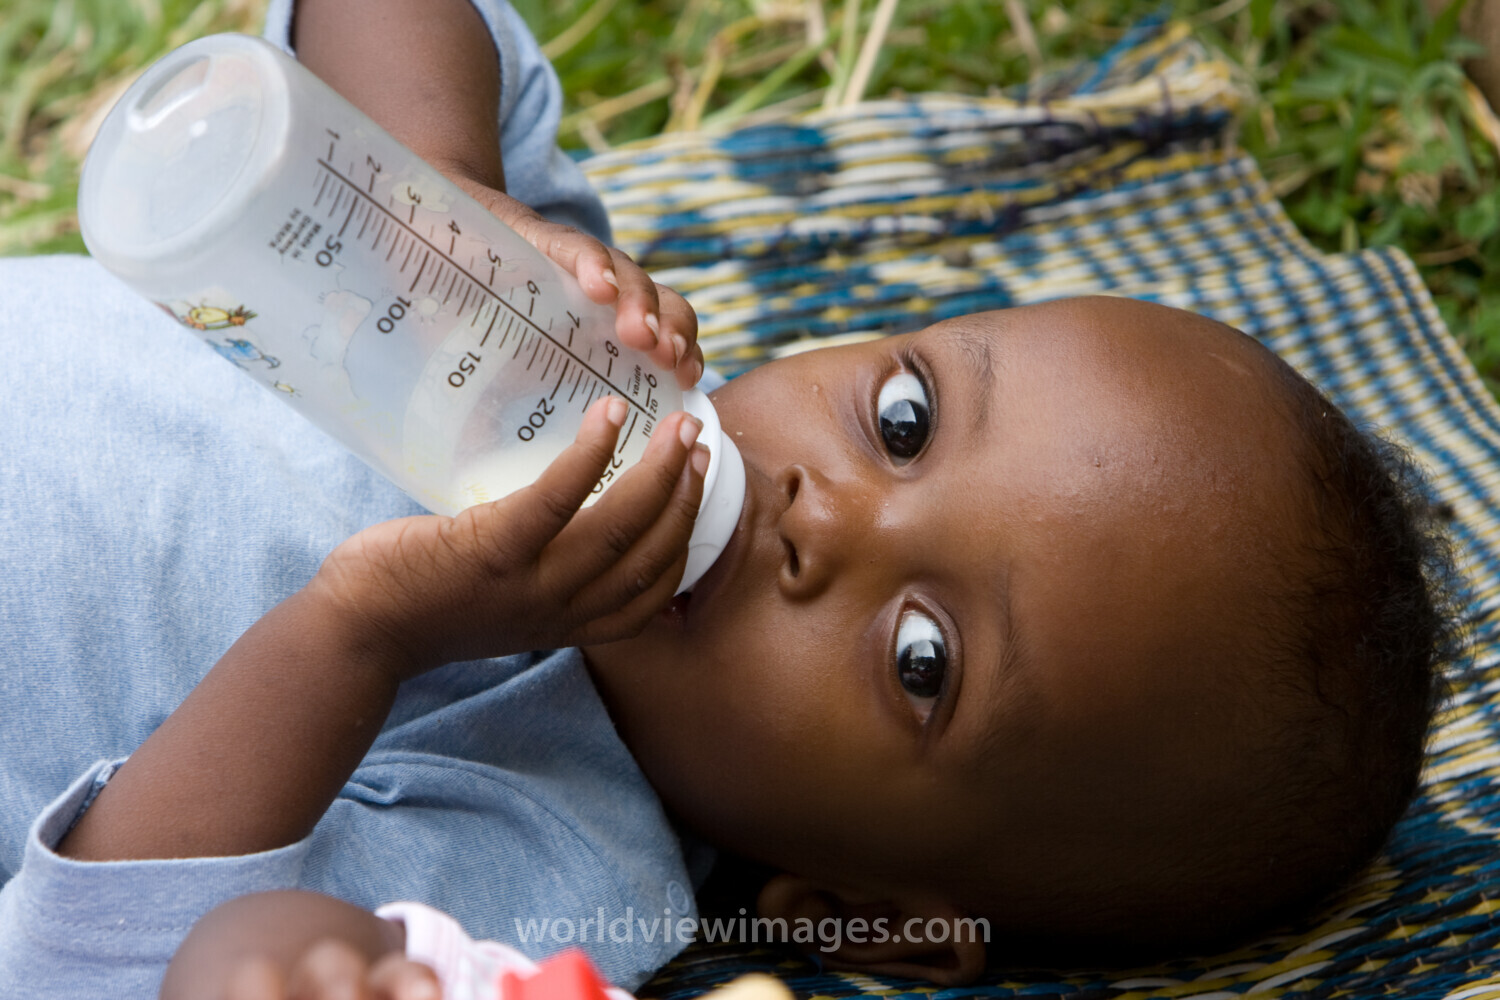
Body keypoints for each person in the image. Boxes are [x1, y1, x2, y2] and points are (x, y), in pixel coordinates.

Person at [0, 1, 1458, 998]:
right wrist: (438, 193)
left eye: (923, 661)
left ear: (856, 915)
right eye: (906, 420)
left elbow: (103, 957)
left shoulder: (564, 853)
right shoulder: (553, 310)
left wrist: (363, 635)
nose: (828, 518)